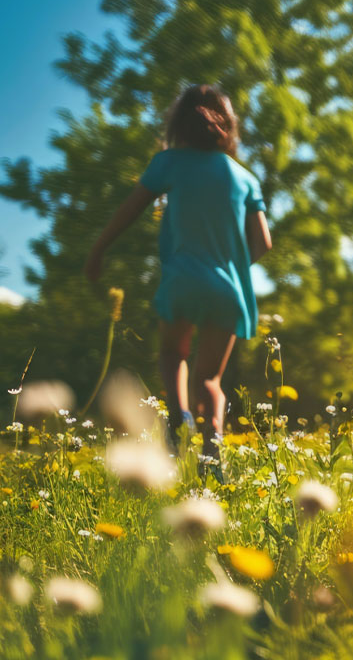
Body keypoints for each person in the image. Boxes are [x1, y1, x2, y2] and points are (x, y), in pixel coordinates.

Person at [84, 84, 271, 473]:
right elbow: (264, 243)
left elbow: (129, 211)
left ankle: (179, 417)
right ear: (229, 126)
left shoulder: (168, 163)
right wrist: (233, 269)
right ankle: (212, 448)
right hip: (227, 290)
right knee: (210, 381)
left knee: (172, 354)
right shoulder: (245, 177)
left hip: (183, 280)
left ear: (178, 123)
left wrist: (99, 249)